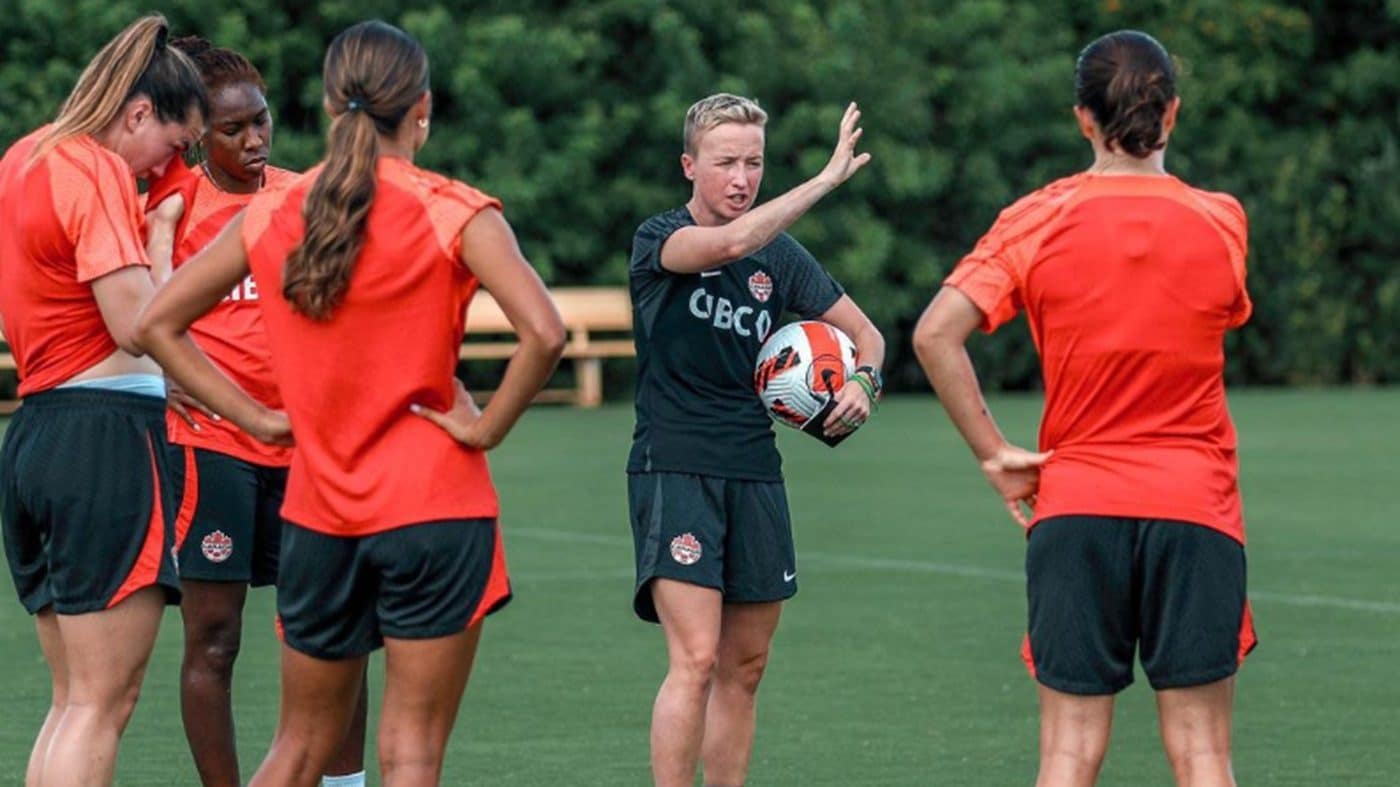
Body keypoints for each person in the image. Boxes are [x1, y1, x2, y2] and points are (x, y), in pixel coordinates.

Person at [135, 19, 565, 787]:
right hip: (436, 503)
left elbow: (155, 323)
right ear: (422, 111)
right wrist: (485, 426)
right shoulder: (456, 208)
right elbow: (545, 332)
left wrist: (260, 418)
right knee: (409, 754)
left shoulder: (273, 211)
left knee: (296, 748)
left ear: (331, 109)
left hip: (319, 508)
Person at [913, 30, 1255, 787]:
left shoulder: (1036, 219)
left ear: (1082, 119)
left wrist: (996, 455)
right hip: (1196, 507)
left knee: (1069, 755)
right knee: (1202, 754)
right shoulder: (1223, 221)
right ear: (1172, 114)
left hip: (1076, 506)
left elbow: (936, 334)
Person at [628, 94, 885, 787]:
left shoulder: (782, 255)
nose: (742, 178)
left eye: (754, 163)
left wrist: (865, 380)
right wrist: (826, 180)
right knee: (697, 657)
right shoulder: (658, 239)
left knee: (745, 665)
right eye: (726, 163)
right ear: (689, 166)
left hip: (755, 470)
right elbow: (733, 243)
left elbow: (870, 336)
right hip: (675, 465)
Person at [142, 36, 367, 787]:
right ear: (197, 134)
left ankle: (343, 783)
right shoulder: (173, 202)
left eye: (261, 121)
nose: (254, 139)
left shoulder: (306, 198)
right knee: (213, 638)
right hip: (214, 445)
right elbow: (142, 309)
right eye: (232, 129)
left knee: (333, 631)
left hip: (309, 447)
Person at [0, 14, 206, 787]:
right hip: (103, 437)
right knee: (100, 703)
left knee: (72, 701)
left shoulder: (24, 155)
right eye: (174, 145)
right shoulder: (93, 167)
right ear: (138, 114)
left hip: (40, 433)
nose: (169, 165)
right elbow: (136, 323)